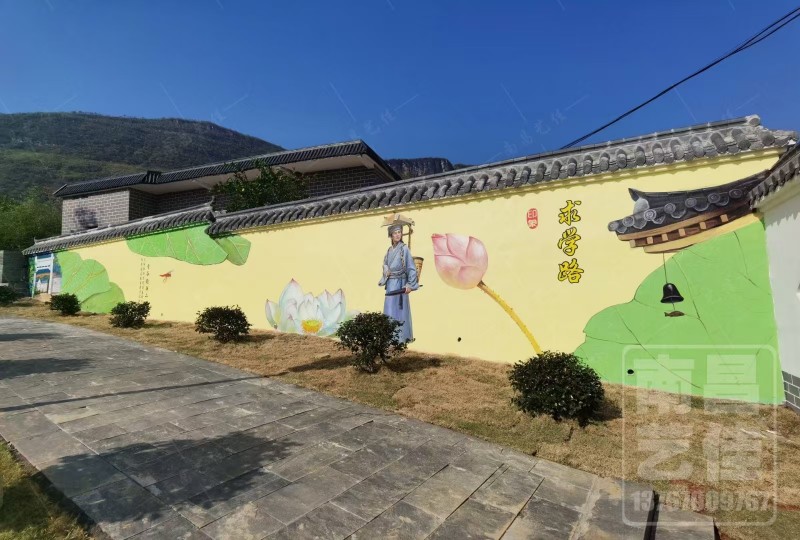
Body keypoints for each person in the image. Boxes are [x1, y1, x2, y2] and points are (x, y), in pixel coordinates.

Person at [378, 224, 419, 342]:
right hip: (391, 283)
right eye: (395, 233)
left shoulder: (404, 249)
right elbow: (385, 264)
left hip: (401, 283)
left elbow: (411, 267)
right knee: (390, 308)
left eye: (399, 232)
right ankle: (389, 337)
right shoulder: (389, 250)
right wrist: (386, 270)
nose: (397, 235)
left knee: (400, 310)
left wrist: (410, 284)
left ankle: (402, 338)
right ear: (391, 235)